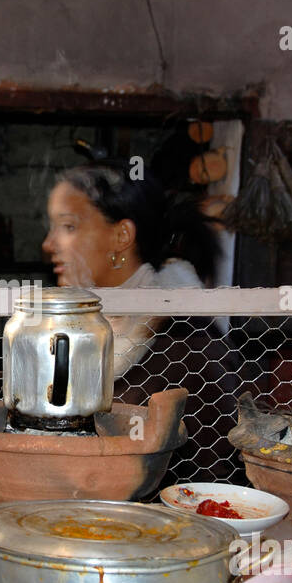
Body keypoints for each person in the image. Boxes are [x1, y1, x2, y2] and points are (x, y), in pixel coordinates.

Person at [41, 162, 242, 482]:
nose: (48, 244)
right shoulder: (82, 324)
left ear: (121, 236)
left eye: (68, 227)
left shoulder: (189, 341)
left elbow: (212, 479)